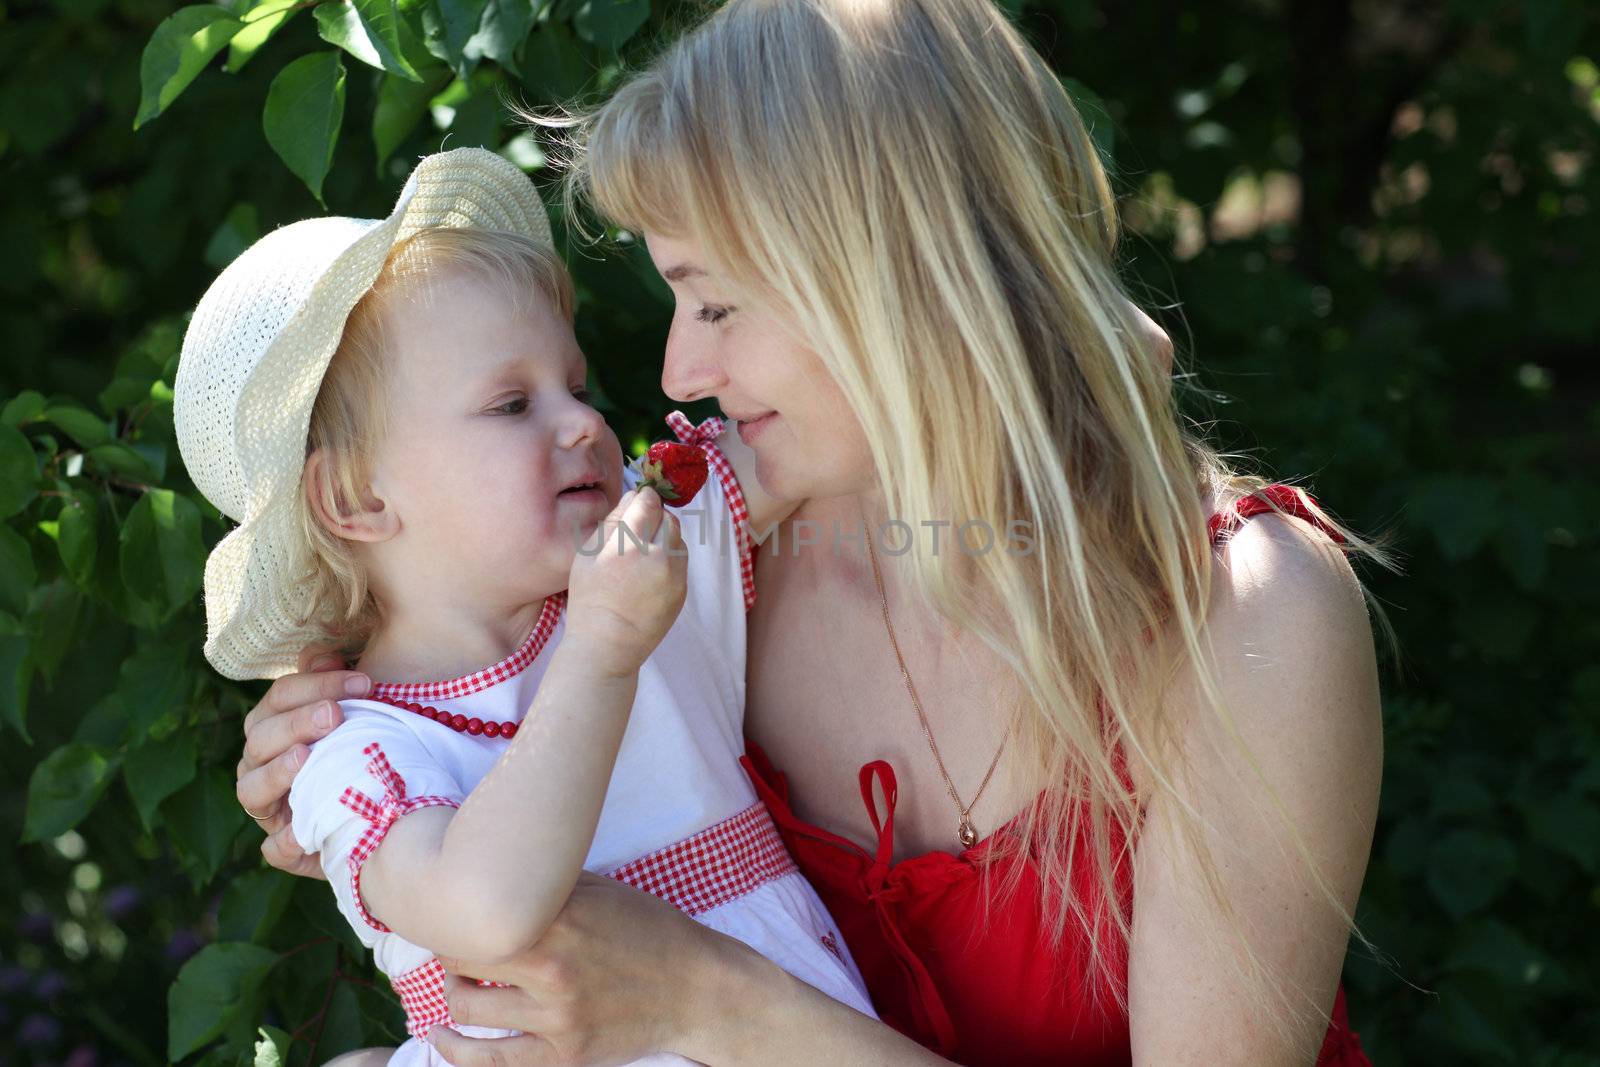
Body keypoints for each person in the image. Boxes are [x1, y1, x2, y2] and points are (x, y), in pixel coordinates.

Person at [232, 0, 1393, 1063]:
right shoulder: (712, 575)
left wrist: (707, 999)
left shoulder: (1244, 610)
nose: (678, 368)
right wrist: (332, 728)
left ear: (887, 279)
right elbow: (463, 669)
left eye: (718, 301)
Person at [176, 147, 876, 1067]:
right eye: (511, 404)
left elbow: (849, 407)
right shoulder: (357, 752)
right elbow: (488, 909)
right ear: (356, 500)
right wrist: (603, 649)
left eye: (575, 387)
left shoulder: (648, 544)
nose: (584, 422)